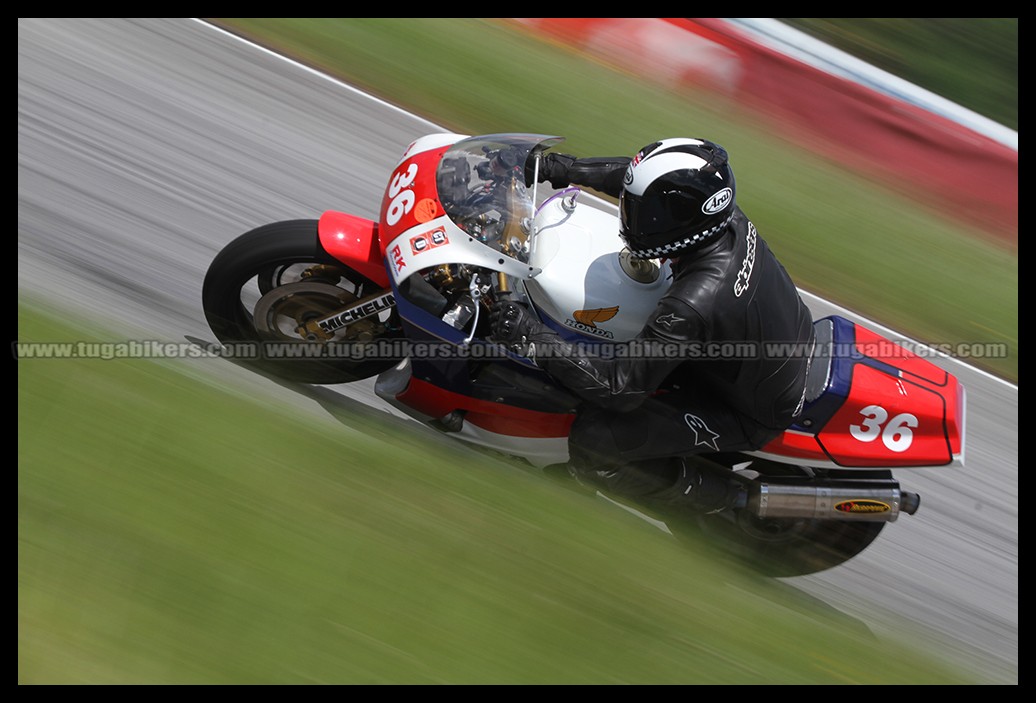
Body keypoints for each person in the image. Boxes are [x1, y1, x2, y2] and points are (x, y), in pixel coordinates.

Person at [489, 138, 816, 519]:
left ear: (681, 218)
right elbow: (631, 179)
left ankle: (726, 500)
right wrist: (558, 169)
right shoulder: (719, 217)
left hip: (750, 407)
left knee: (596, 439)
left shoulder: (694, 301)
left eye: (649, 213)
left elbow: (620, 389)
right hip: (766, 346)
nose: (634, 216)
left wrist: (530, 335)